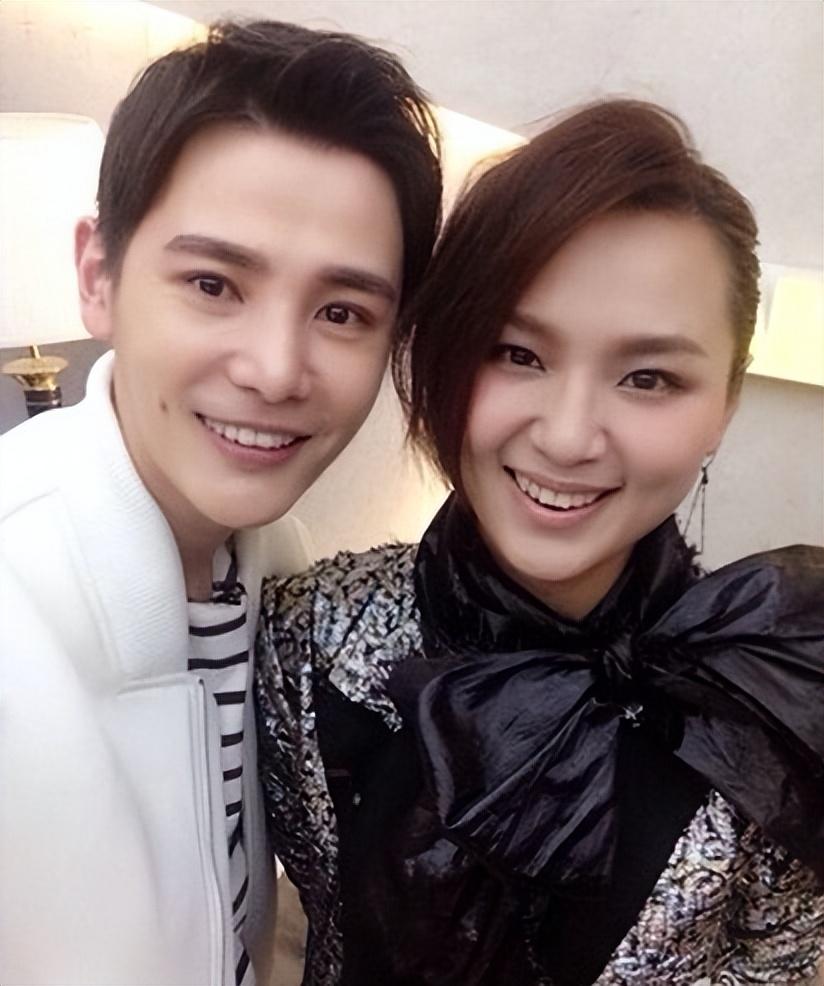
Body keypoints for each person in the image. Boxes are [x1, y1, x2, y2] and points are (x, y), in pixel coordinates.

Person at [256, 99, 824, 985]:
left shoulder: (777, 682)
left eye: (649, 377)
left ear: (726, 401)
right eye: (518, 354)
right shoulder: (307, 634)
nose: (567, 436)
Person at [0, 19, 440, 986]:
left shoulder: (277, 569)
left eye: (341, 312)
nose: (276, 370)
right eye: (213, 283)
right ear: (98, 276)